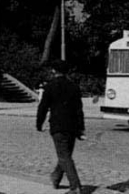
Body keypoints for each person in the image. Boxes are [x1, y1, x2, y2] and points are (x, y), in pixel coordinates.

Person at [36, 60, 85, 194]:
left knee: (64, 156)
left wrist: (39, 124)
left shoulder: (50, 87)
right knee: (65, 154)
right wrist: (81, 128)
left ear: (54, 71)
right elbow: (79, 109)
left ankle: (75, 187)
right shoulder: (74, 87)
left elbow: (43, 107)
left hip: (57, 126)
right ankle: (56, 177)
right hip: (72, 127)